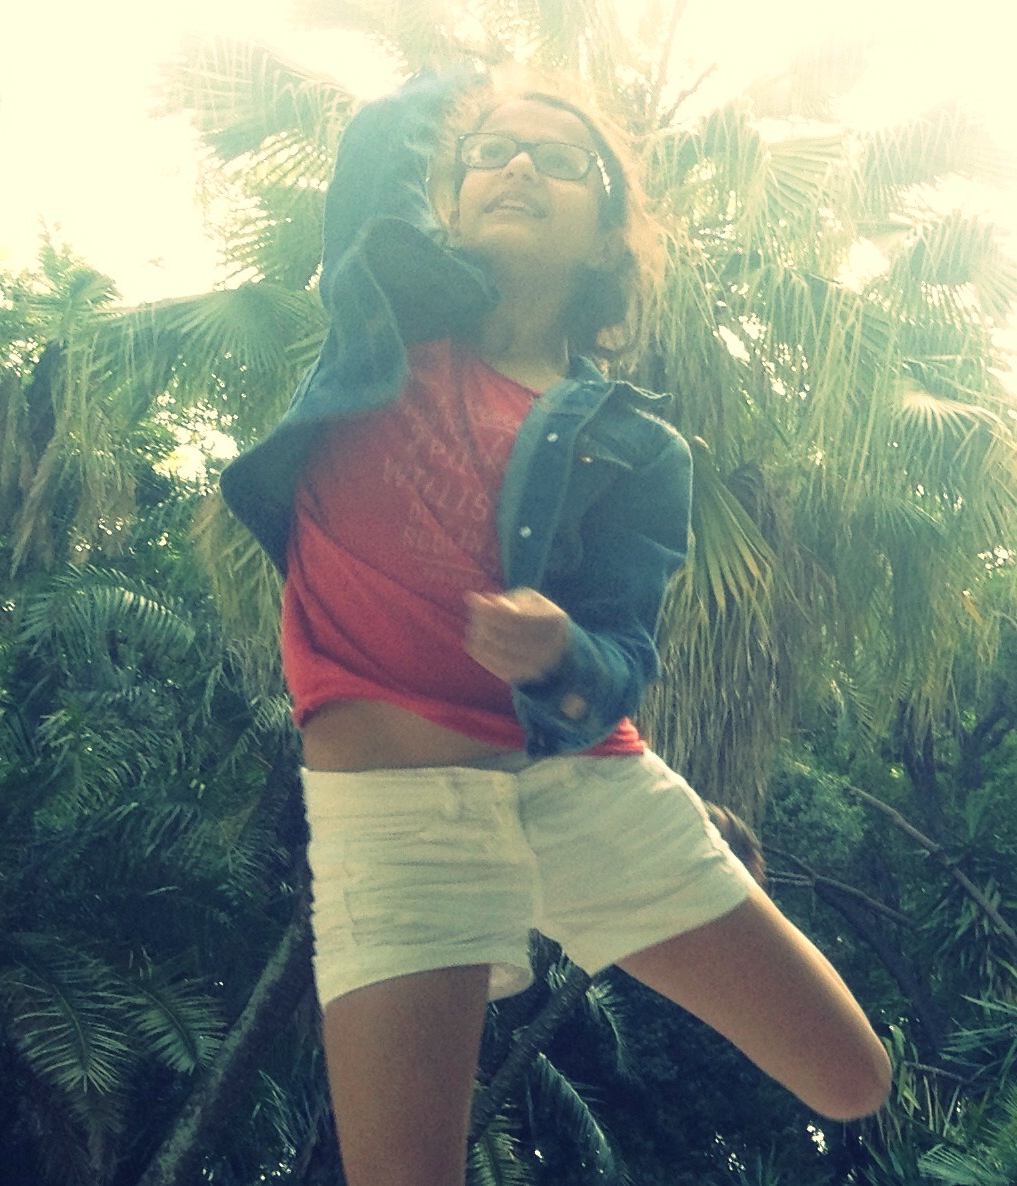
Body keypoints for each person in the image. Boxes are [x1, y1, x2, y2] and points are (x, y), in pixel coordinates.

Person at [221, 62, 892, 1186]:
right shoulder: (379, 312)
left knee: (851, 1076)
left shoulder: (642, 449)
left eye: (561, 159)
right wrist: (477, 86)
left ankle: (601, 891)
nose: (519, 164)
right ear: (445, 193)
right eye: (490, 151)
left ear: (606, 235)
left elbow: (622, 654)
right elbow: (381, 136)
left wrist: (559, 652)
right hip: (393, 820)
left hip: (583, 785)